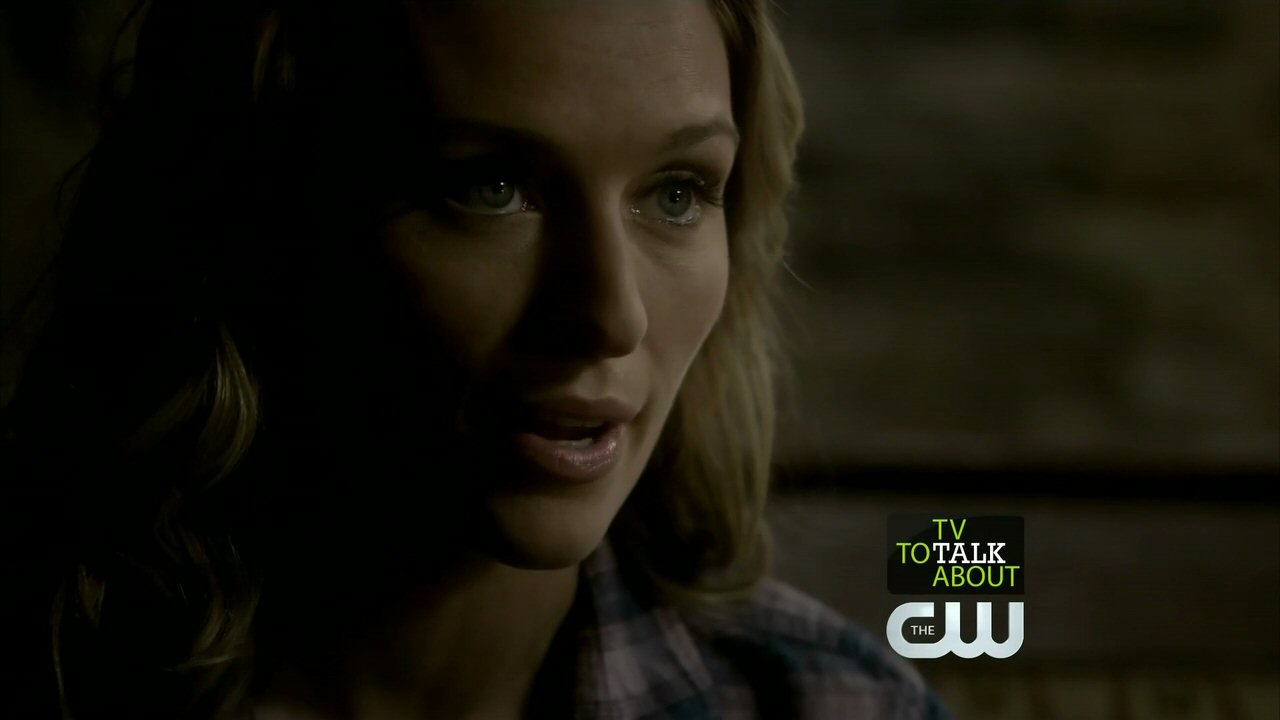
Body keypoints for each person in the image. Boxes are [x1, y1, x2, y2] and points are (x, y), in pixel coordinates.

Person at [2, 0, 953, 718]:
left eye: (676, 193)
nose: (610, 316)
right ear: (265, 217)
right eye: (490, 186)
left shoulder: (833, 703)